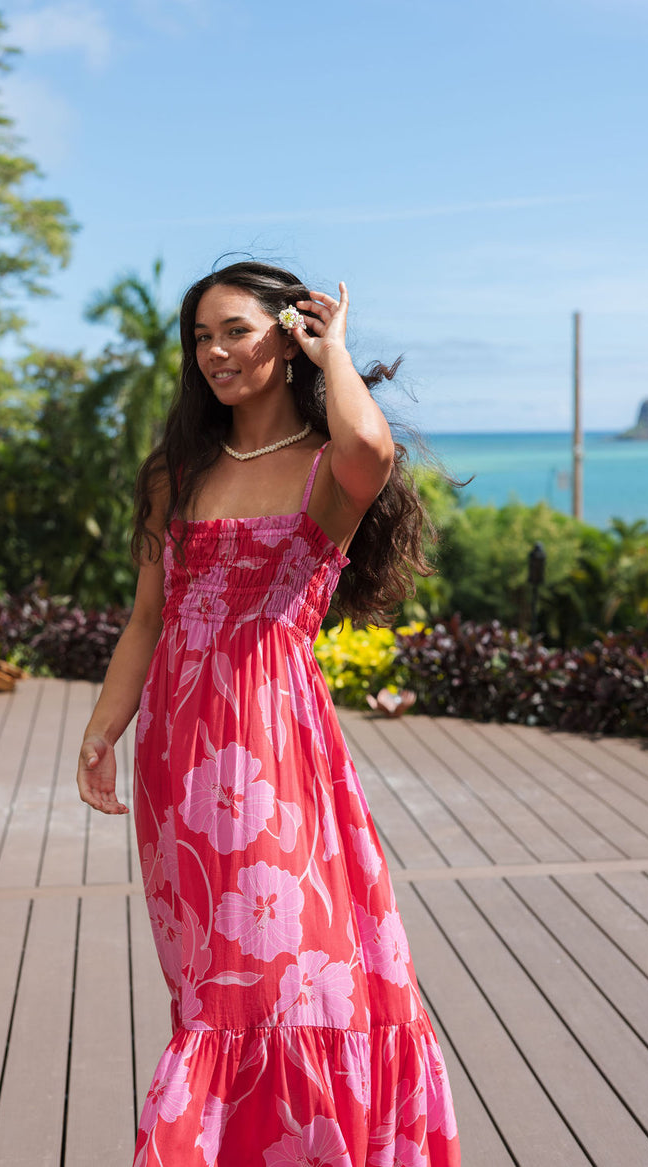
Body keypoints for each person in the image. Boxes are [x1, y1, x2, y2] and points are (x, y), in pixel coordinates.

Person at [77, 261, 461, 1166]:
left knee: (282, 974)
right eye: (201, 337)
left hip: (269, 749)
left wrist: (335, 354)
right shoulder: (177, 473)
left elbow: (370, 447)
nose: (214, 352)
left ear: (286, 337)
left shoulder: (327, 466)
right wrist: (102, 729)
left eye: (237, 331)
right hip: (177, 753)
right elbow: (147, 618)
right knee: (217, 989)